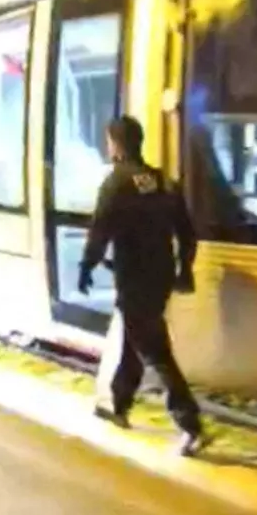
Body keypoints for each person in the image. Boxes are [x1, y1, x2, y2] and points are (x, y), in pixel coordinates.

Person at [78, 116, 207, 456]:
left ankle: (190, 423)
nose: (109, 149)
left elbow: (99, 231)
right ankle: (118, 404)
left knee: (153, 348)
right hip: (161, 275)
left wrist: (86, 267)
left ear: (116, 145)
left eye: (109, 142)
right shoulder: (162, 181)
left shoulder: (116, 183)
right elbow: (187, 233)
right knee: (138, 336)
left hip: (133, 276)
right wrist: (184, 269)